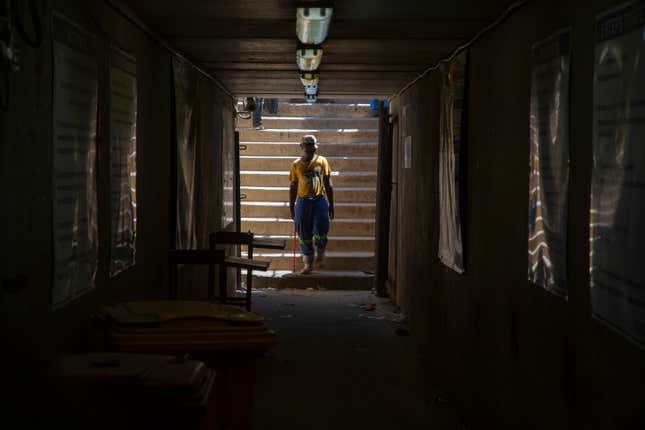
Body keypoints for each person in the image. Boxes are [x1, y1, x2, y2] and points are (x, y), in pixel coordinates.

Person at [289, 135, 335, 274]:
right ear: (302, 147)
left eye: (312, 145)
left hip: (319, 200)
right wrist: (291, 206)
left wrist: (331, 204)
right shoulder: (296, 164)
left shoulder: (322, 161)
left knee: (321, 229)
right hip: (302, 202)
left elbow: (328, 182)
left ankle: (320, 252)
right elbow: (293, 185)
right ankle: (308, 263)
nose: (310, 148)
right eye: (307, 145)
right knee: (304, 233)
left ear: (315, 147)